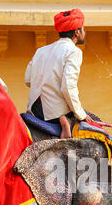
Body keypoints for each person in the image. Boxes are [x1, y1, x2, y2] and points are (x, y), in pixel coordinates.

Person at [25, 8, 95, 139]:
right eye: (83, 29)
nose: (84, 32)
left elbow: (28, 80)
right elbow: (68, 87)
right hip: (53, 112)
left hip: (34, 110)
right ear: (77, 32)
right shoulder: (74, 51)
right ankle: (66, 121)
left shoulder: (41, 50)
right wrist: (81, 114)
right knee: (85, 123)